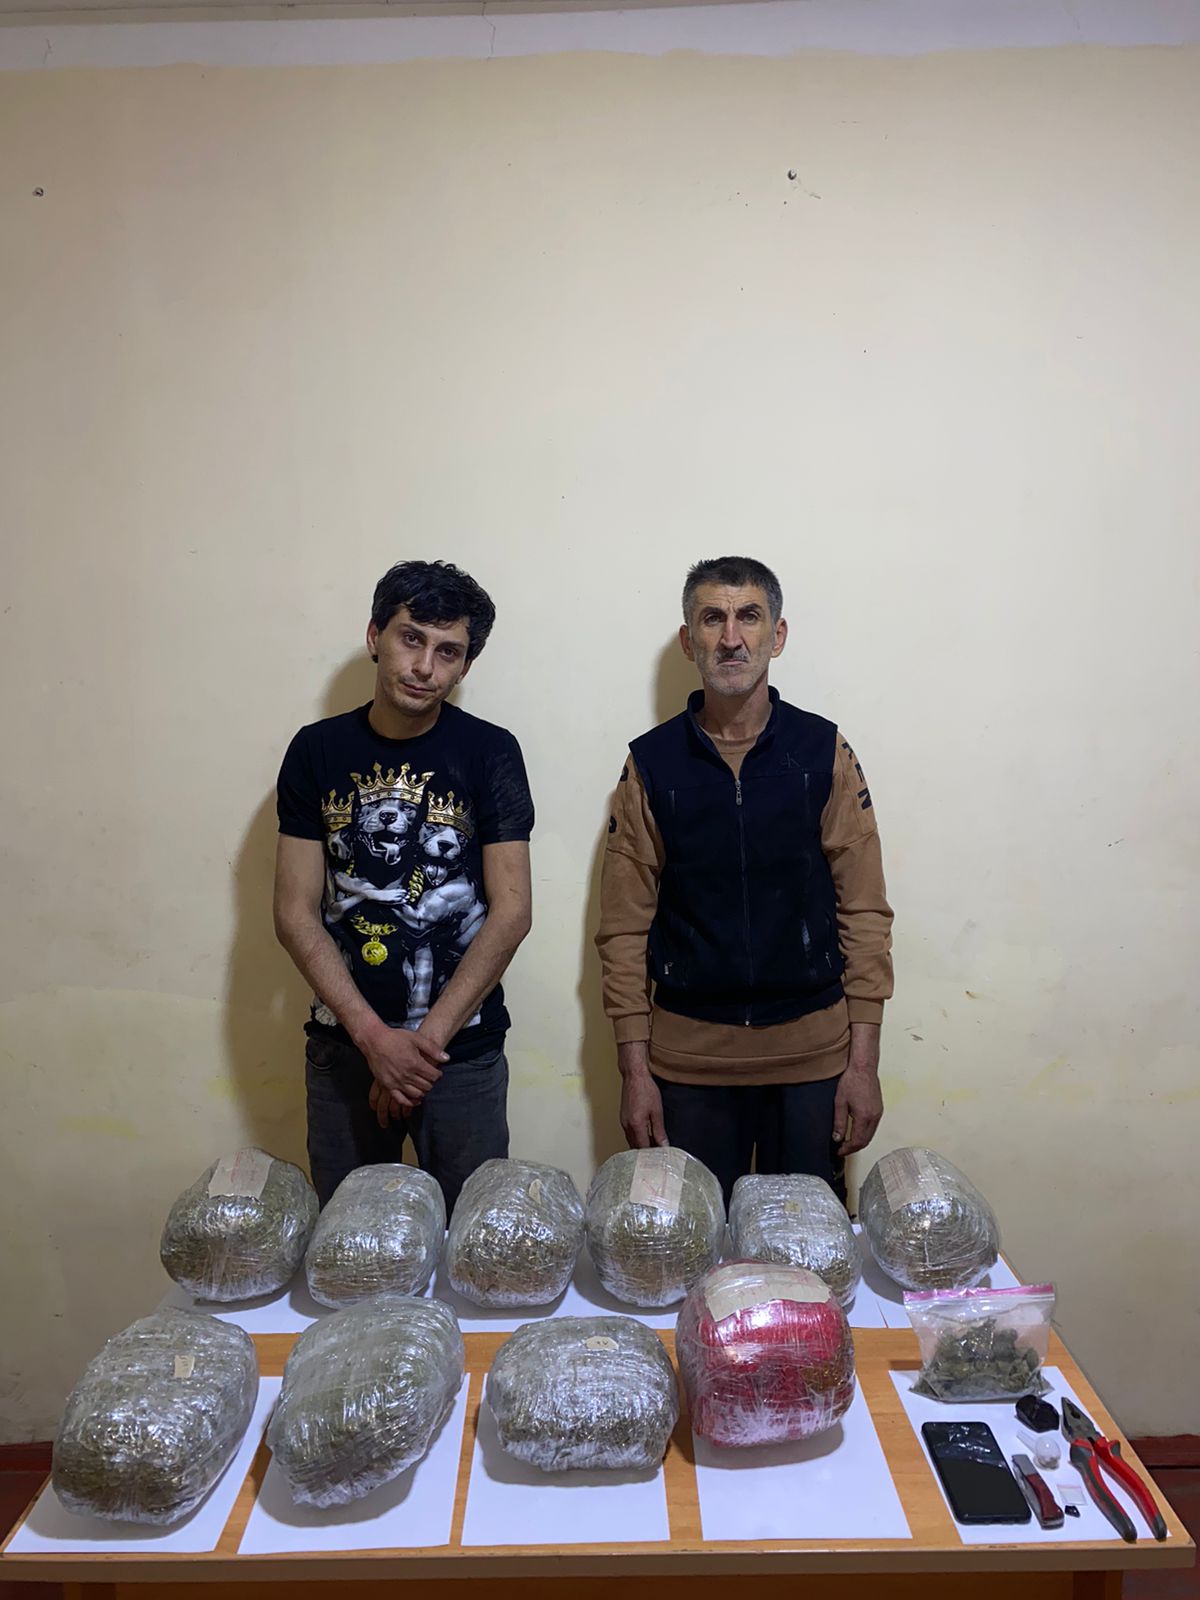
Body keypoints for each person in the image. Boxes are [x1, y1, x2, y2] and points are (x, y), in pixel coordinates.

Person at [596, 556, 893, 1205]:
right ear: (689, 640)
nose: (731, 637)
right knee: (693, 1253)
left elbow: (865, 913)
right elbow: (622, 931)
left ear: (776, 636)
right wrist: (635, 1073)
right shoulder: (651, 765)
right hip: (688, 1071)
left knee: (805, 1253)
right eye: (713, 619)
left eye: (748, 617)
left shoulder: (823, 752)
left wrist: (863, 1066)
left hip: (815, 1065)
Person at [274, 560, 534, 1211]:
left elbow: (512, 911)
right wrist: (374, 1040)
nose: (424, 666)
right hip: (345, 1048)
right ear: (375, 636)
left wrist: (418, 1051)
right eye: (411, 639)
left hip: (459, 1053)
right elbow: (294, 911)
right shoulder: (315, 751)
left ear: (465, 666)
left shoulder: (492, 752)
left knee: (477, 1244)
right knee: (349, 1243)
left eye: (448, 651)